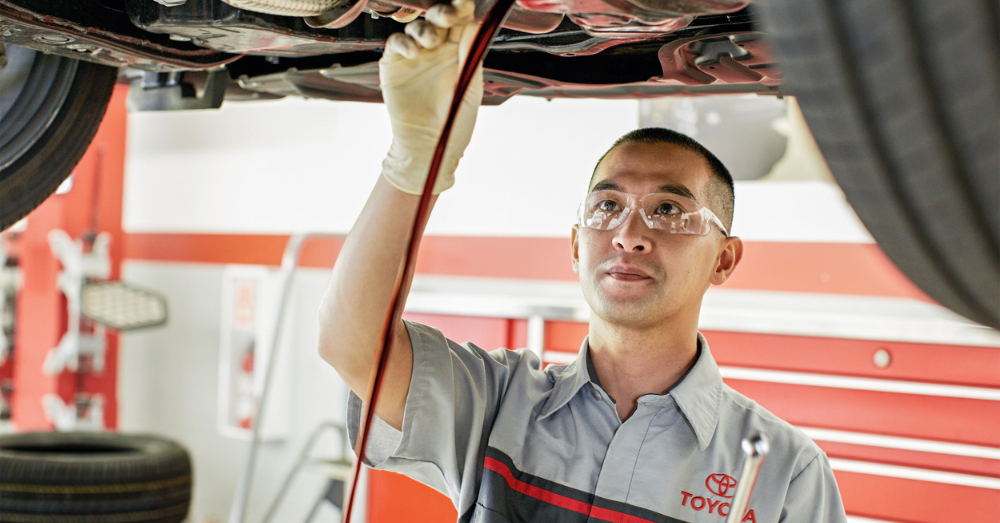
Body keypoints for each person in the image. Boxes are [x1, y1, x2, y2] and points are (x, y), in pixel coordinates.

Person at [318, 1, 849, 521]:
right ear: (576, 246)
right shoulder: (499, 402)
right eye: (608, 206)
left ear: (724, 260)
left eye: (668, 210)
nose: (629, 236)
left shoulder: (787, 475)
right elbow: (352, 345)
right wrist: (414, 161)